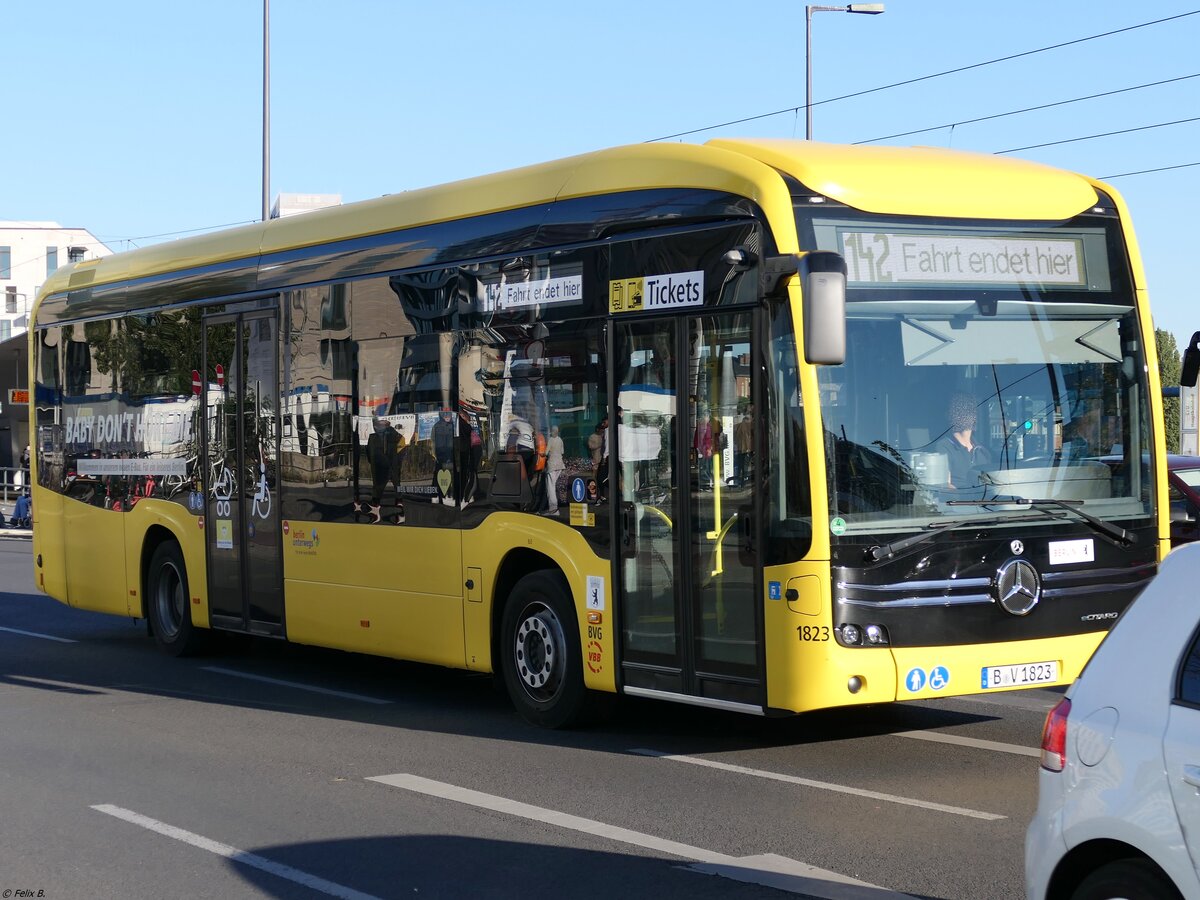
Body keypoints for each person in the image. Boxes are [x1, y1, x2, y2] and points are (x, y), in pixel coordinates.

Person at [938, 392, 991, 489]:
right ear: (949, 415)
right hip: (959, 498)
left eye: (970, 412)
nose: (967, 416)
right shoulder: (943, 448)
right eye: (960, 411)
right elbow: (946, 486)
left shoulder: (982, 451)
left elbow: (989, 484)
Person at [431, 408, 456, 504]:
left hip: (447, 453)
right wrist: (434, 454)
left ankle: (444, 494)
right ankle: (440, 494)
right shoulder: (437, 426)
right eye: (445, 415)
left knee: (444, 474)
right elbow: (433, 441)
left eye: (449, 415)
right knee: (441, 474)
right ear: (442, 416)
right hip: (442, 454)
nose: (447, 417)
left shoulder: (451, 425)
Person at [544, 425, 565, 514]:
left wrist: (543, 453)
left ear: (553, 432)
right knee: (554, 485)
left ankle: (553, 508)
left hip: (552, 465)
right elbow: (562, 452)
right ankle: (554, 508)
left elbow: (545, 452)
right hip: (560, 465)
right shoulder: (560, 440)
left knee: (551, 487)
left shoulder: (550, 440)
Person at [734, 408, 753, 485]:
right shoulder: (747, 425)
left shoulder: (739, 425)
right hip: (745, 448)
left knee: (740, 465)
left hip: (739, 448)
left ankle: (739, 480)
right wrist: (748, 448)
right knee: (745, 466)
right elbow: (747, 438)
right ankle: (743, 481)